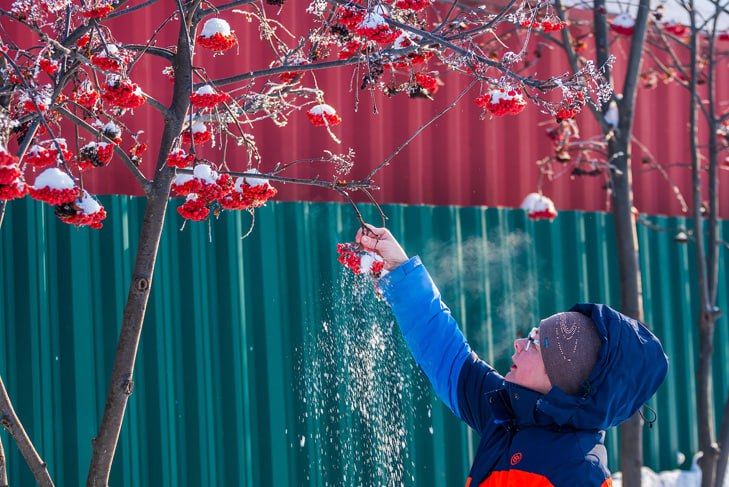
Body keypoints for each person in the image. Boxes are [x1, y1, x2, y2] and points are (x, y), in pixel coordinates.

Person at [355, 226, 669, 487]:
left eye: (535, 343)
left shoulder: (579, 472)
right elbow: (443, 348)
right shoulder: (506, 413)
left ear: (558, 379)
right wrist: (399, 268)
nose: (519, 343)